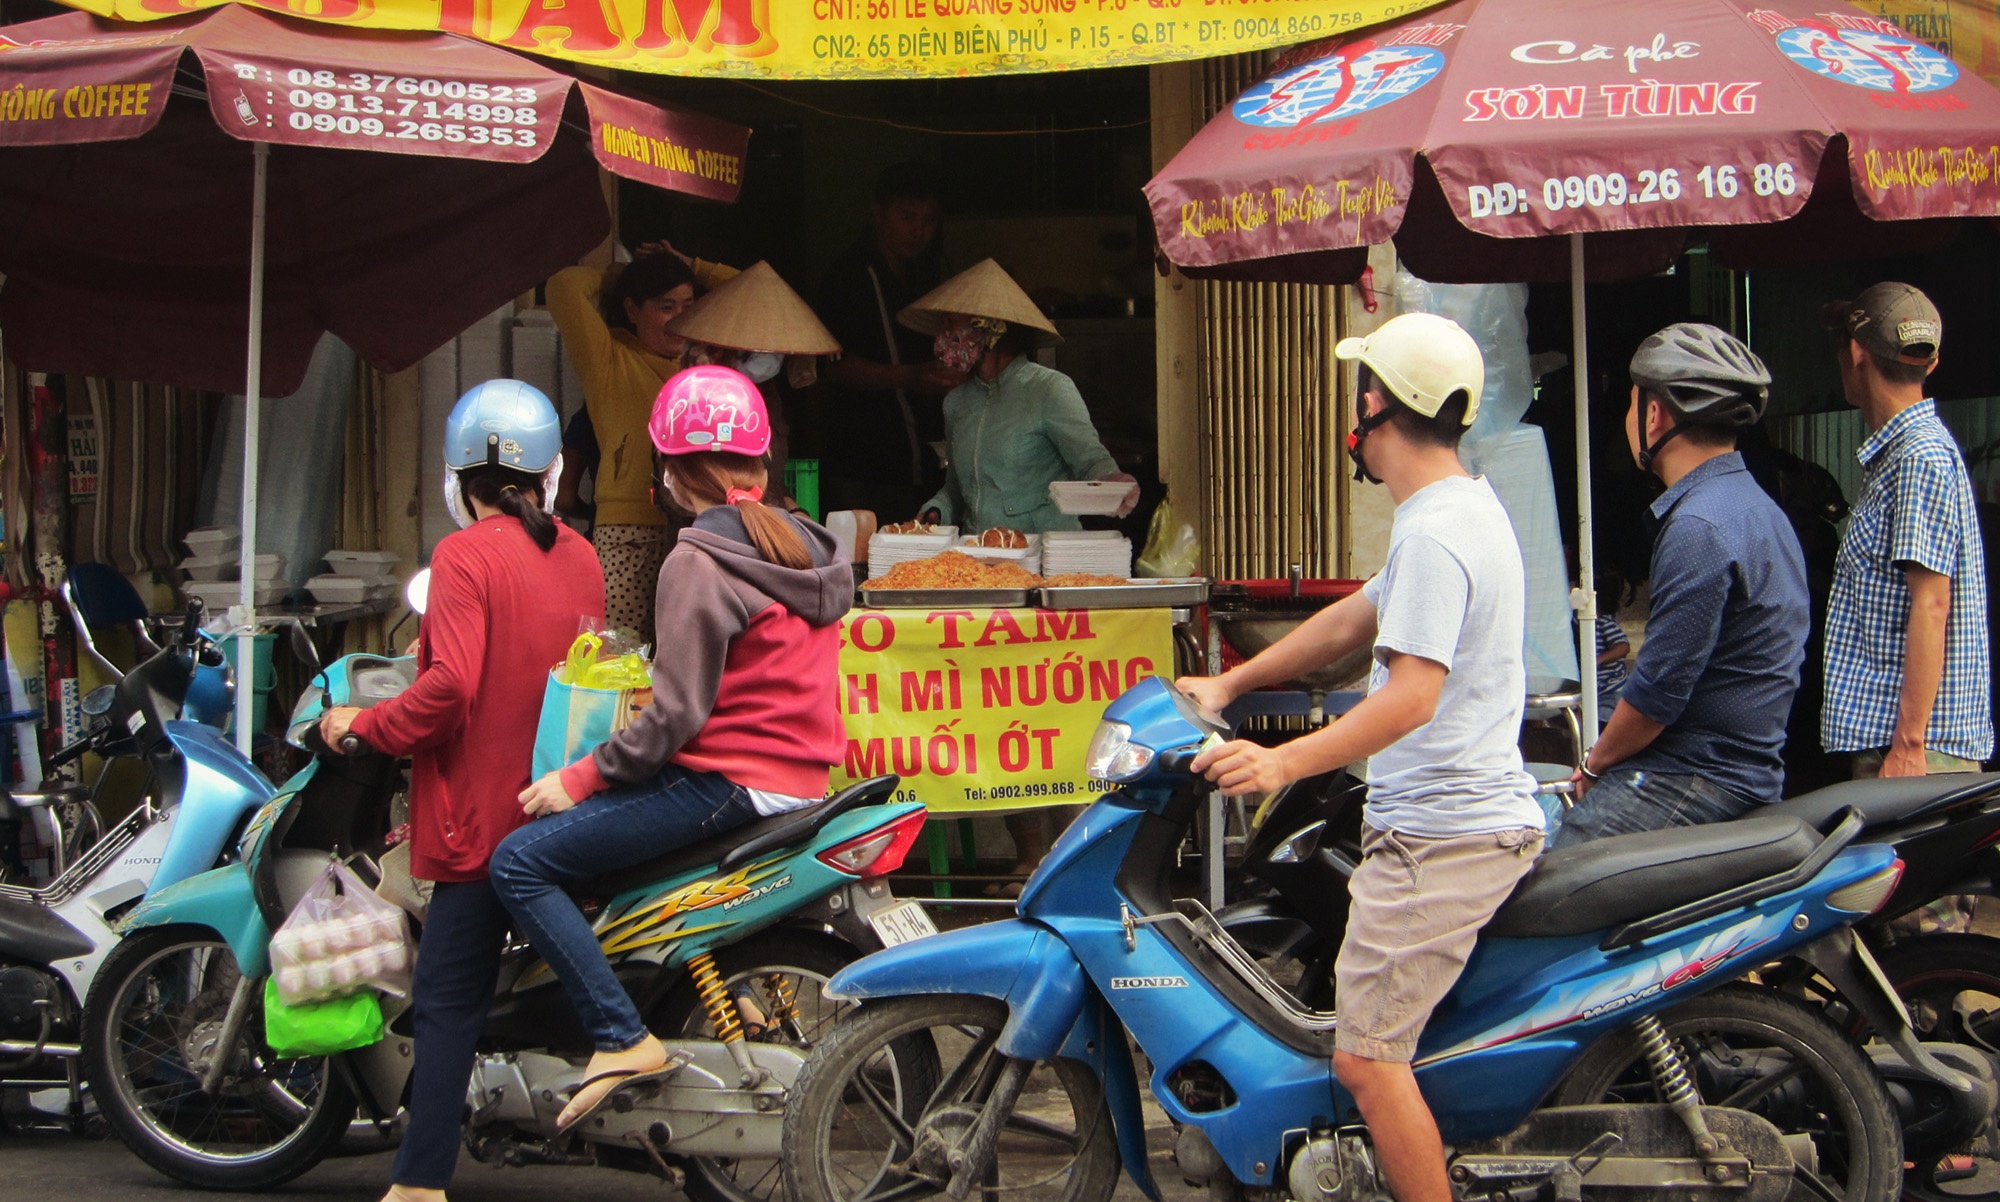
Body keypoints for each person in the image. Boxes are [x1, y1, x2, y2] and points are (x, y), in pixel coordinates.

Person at [1179, 313, 1544, 1202]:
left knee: (1368, 1061)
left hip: (1440, 840)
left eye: (1362, 391)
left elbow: (1412, 696)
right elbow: (1353, 618)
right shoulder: (1457, 506)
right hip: (1455, 824)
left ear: (1377, 404)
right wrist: (1230, 686)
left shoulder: (1435, 530)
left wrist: (1279, 764)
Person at [487, 366, 852, 1133]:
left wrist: (580, 776)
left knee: (521, 860)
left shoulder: (698, 561)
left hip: (728, 781)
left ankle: (621, 1037)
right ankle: (717, 998)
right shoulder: (801, 543)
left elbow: (678, 716)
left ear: (669, 471)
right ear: (759, 463)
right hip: (795, 781)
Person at [318, 381, 604, 1202]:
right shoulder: (578, 554)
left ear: (455, 478)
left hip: (482, 819)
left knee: (446, 1001)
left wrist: (363, 725)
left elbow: (446, 692)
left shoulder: (463, 556)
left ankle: (418, 1183)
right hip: (560, 804)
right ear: (550, 475)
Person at [1554, 325, 1810, 849]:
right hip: (1746, 772)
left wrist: (1595, 763)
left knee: (1541, 891)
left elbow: (1656, 695)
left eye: (1631, 405)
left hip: (1693, 778)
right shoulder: (1762, 511)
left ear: (1654, 416)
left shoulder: (1699, 525)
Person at [1821, 282, 1992, 780]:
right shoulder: (1903, 453)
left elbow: (1932, 603)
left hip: (1915, 755)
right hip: (1901, 746)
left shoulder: (1918, 456)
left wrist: (1909, 744)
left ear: (1855, 353)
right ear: (1930, 363)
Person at [547, 246, 737, 633]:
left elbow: (754, 292)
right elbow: (562, 286)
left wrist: (695, 263)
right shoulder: (609, 357)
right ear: (633, 311)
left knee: (685, 650)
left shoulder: (704, 364)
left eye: (689, 304)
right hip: (627, 533)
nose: (681, 318)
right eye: (667, 307)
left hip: (698, 528)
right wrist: (616, 273)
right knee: (620, 651)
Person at [903, 258, 1138, 534]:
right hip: (979, 560)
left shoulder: (1049, 389)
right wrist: (936, 510)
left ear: (989, 328)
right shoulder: (956, 403)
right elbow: (957, 487)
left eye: (951, 323)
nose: (943, 336)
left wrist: (1114, 480)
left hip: (1041, 560)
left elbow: (1090, 460)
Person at [816, 162, 962, 518]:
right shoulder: (848, 275)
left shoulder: (924, 274)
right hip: (861, 456)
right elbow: (831, 366)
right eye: (908, 217)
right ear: (878, 214)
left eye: (929, 220)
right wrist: (909, 376)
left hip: (919, 456)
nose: (919, 231)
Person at [668, 260, 845, 516]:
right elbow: (680, 490)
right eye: (759, 350)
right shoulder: (695, 402)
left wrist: (795, 514)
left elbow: (771, 482)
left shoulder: (770, 400)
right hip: (713, 529)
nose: (771, 357)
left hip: (763, 525)